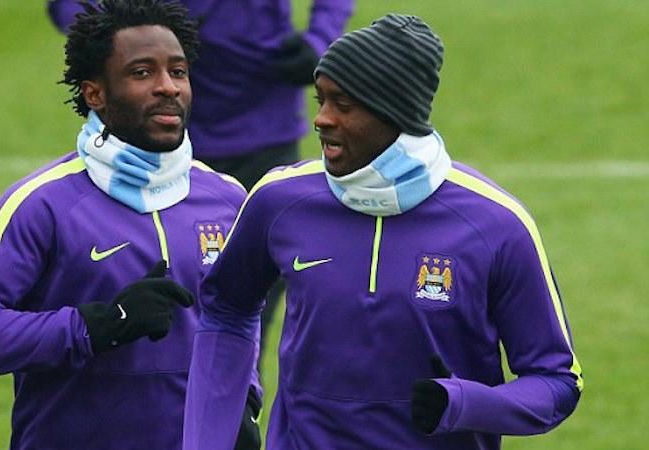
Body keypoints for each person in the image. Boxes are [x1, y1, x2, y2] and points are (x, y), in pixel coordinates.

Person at [182, 14, 583, 450]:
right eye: (320, 100)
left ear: (394, 111)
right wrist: (219, 425)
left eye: (343, 105)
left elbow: (556, 381)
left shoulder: (496, 225)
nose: (321, 119)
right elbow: (226, 309)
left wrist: (465, 403)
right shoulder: (279, 201)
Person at [0, 1, 261, 449]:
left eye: (178, 72)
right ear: (95, 94)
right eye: (142, 73)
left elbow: (241, 315)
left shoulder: (227, 200)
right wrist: (95, 327)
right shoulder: (44, 204)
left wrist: (244, 400)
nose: (168, 87)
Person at [47, 0, 355, 369]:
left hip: (262, 131)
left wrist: (320, 38)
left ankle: (238, 397)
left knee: (246, 316)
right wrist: (109, 43)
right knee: (145, 303)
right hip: (152, 143)